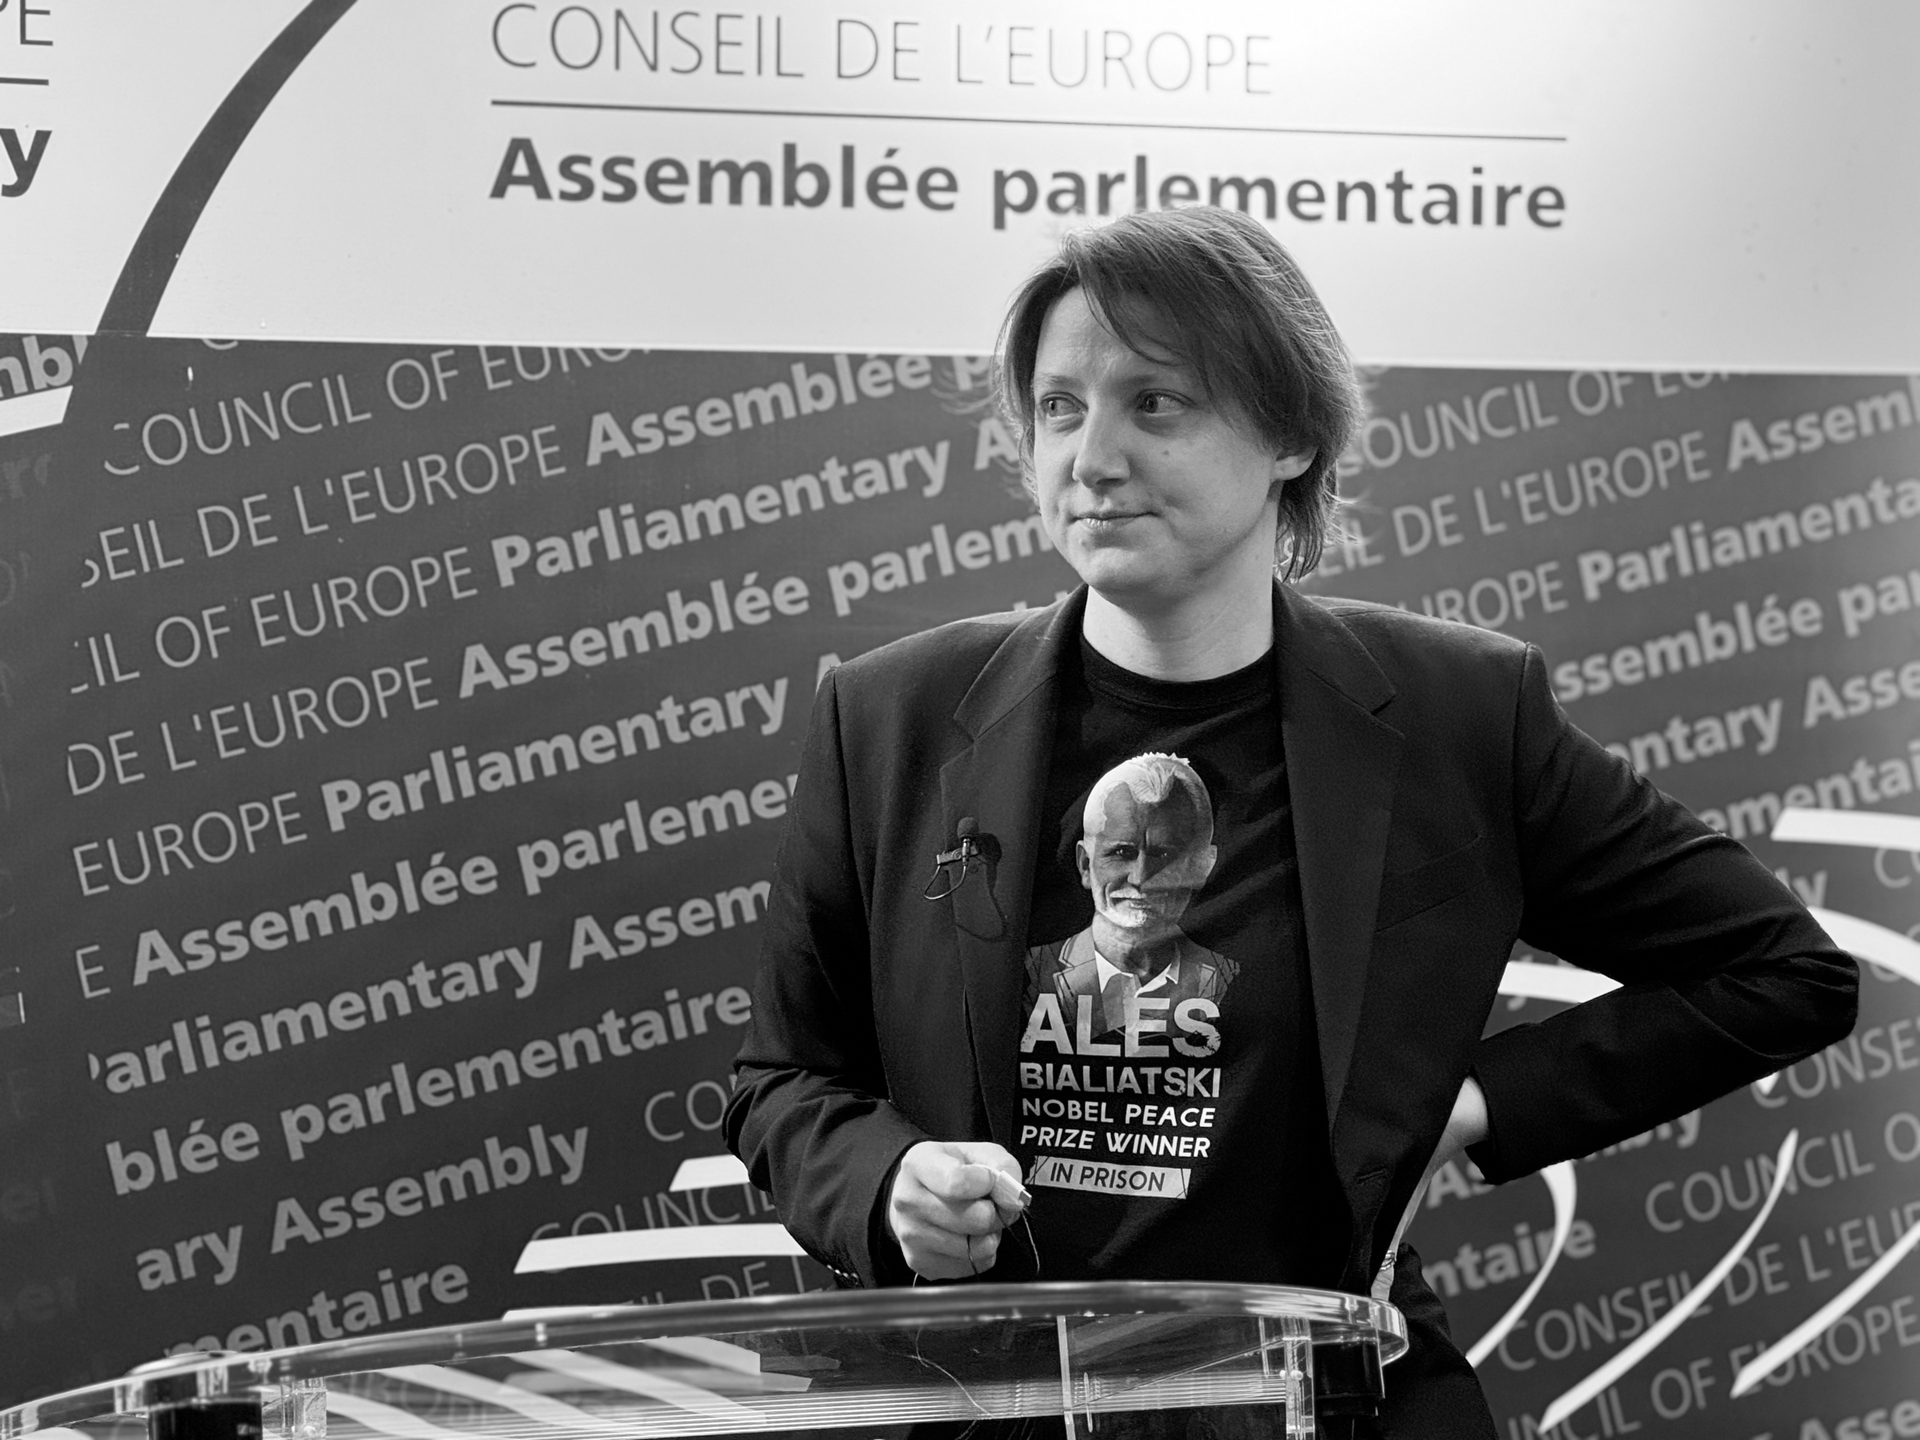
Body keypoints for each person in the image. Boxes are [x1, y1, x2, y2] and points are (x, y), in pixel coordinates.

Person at [722, 205, 1857, 1436]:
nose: (1090, 456)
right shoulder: (889, 718)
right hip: (997, 1405)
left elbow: (1782, 971)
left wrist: (1465, 1109)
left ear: (1290, 435)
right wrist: (891, 1183)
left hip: (1326, 1400)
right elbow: (785, 1080)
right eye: (1059, 408)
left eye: (1154, 403)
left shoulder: (1459, 714)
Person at [1027, 750, 1238, 1044]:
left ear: (1202, 865)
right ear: (1086, 864)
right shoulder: (1027, 975)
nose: (1141, 878)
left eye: (1164, 854)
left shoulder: (1235, 979)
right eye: (1122, 853)